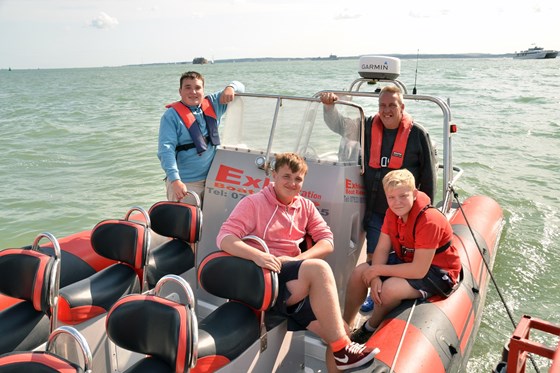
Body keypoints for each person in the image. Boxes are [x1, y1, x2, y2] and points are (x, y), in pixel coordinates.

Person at [217, 152, 379, 371]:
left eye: (298, 179)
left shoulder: (305, 206)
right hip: (264, 278)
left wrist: (296, 259)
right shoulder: (253, 203)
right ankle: (344, 351)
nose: (292, 183)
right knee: (319, 269)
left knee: (340, 331)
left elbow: (327, 241)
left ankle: (342, 353)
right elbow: (224, 238)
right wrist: (259, 256)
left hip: (291, 278)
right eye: (286, 176)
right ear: (273, 175)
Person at [320, 85, 437, 312]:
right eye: (382, 105)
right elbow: (341, 126)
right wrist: (329, 108)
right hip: (375, 209)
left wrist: (425, 213)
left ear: (402, 106)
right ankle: (374, 292)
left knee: (402, 254)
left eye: (392, 105)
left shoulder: (418, 134)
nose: (386, 110)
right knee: (374, 254)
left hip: (404, 210)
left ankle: (395, 292)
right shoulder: (367, 126)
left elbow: (429, 177)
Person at [343, 169, 462, 343]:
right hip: (407, 259)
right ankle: (345, 326)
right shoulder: (392, 213)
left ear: (414, 194)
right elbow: (382, 248)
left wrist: (377, 270)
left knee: (389, 289)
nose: (397, 202)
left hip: (436, 271)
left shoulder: (429, 220)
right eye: (391, 197)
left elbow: (419, 270)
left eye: (403, 196)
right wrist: (375, 276)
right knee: (358, 274)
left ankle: (369, 328)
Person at [158, 71, 244, 205]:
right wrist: (175, 180)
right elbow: (166, 150)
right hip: (185, 183)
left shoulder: (214, 104)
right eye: (188, 87)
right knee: (187, 224)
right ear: (180, 91)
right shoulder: (171, 116)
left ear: (203, 90)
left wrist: (230, 87)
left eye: (197, 88)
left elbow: (241, 86)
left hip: (213, 180)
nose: (193, 91)